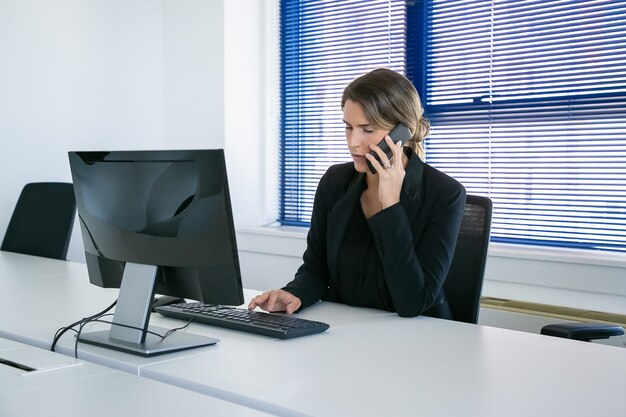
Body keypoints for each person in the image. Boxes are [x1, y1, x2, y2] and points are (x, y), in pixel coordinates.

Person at [248, 68, 466, 318]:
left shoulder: (445, 194)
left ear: (402, 132)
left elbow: (412, 303)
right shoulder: (335, 182)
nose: (353, 142)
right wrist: (295, 294)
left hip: (416, 339)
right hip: (344, 331)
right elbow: (315, 270)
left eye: (368, 129)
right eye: (349, 127)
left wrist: (391, 206)